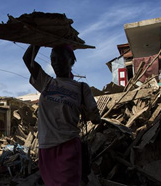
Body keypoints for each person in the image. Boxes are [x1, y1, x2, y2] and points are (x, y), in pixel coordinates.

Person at [23, 44, 101, 186]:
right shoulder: (46, 82)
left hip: (68, 147)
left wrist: (87, 112)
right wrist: (39, 40)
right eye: (53, 60)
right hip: (45, 149)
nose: (56, 63)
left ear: (71, 61)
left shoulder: (81, 88)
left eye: (61, 59)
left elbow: (96, 119)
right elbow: (28, 59)